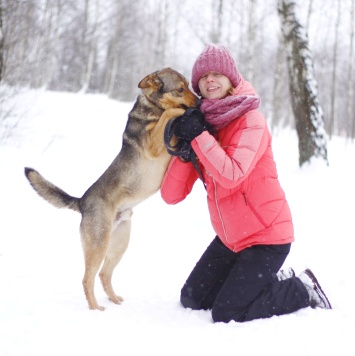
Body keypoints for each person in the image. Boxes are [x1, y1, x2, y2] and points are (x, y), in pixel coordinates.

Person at [160, 43, 332, 323]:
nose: (210, 80)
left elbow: (232, 174)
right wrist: (183, 151)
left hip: (267, 238)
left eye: (217, 74)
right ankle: (263, 281)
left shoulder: (251, 120)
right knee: (193, 298)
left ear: (231, 80)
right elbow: (171, 195)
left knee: (227, 312)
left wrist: (200, 136)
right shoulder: (203, 126)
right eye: (203, 77)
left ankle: (302, 288)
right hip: (231, 239)